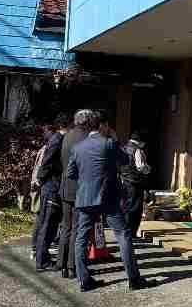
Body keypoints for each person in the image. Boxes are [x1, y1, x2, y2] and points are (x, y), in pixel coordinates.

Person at [66, 112, 148, 293]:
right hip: (108, 197)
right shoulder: (109, 143)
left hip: (85, 198)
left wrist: (86, 179)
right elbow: (125, 160)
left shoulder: (77, 147)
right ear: (102, 125)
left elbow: (71, 173)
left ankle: (84, 280)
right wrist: (115, 139)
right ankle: (134, 279)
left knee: (81, 237)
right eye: (108, 125)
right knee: (123, 234)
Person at [57, 109, 92, 279]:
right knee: (77, 228)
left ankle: (61, 263)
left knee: (66, 226)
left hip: (65, 186)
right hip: (80, 188)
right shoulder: (87, 138)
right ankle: (72, 266)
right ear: (88, 122)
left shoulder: (67, 136)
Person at [32, 114, 69, 271]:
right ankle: (42, 260)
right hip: (51, 187)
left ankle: (42, 257)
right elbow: (47, 162)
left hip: (52, 186)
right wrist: (41, 178)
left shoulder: (57, 139)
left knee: (49, 223)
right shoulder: (57, 140)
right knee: (48, 224)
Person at [118, 129, 151, 239]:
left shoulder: (123, 148)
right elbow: (141, 167)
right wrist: (148, 169)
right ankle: (131, 233)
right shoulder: (137, 150)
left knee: (126, 207)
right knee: (135, 209)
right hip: (135, 183)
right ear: (140, 141)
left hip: (124, 181)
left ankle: (124, 231)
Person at [29, 122, 54, 261]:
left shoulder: (44, 149)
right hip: (42, 187)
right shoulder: (47, 149)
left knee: (41, 218)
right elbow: (41, 170)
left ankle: (35, 247)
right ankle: (35, 248)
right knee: (41, 219)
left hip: (39, 187)